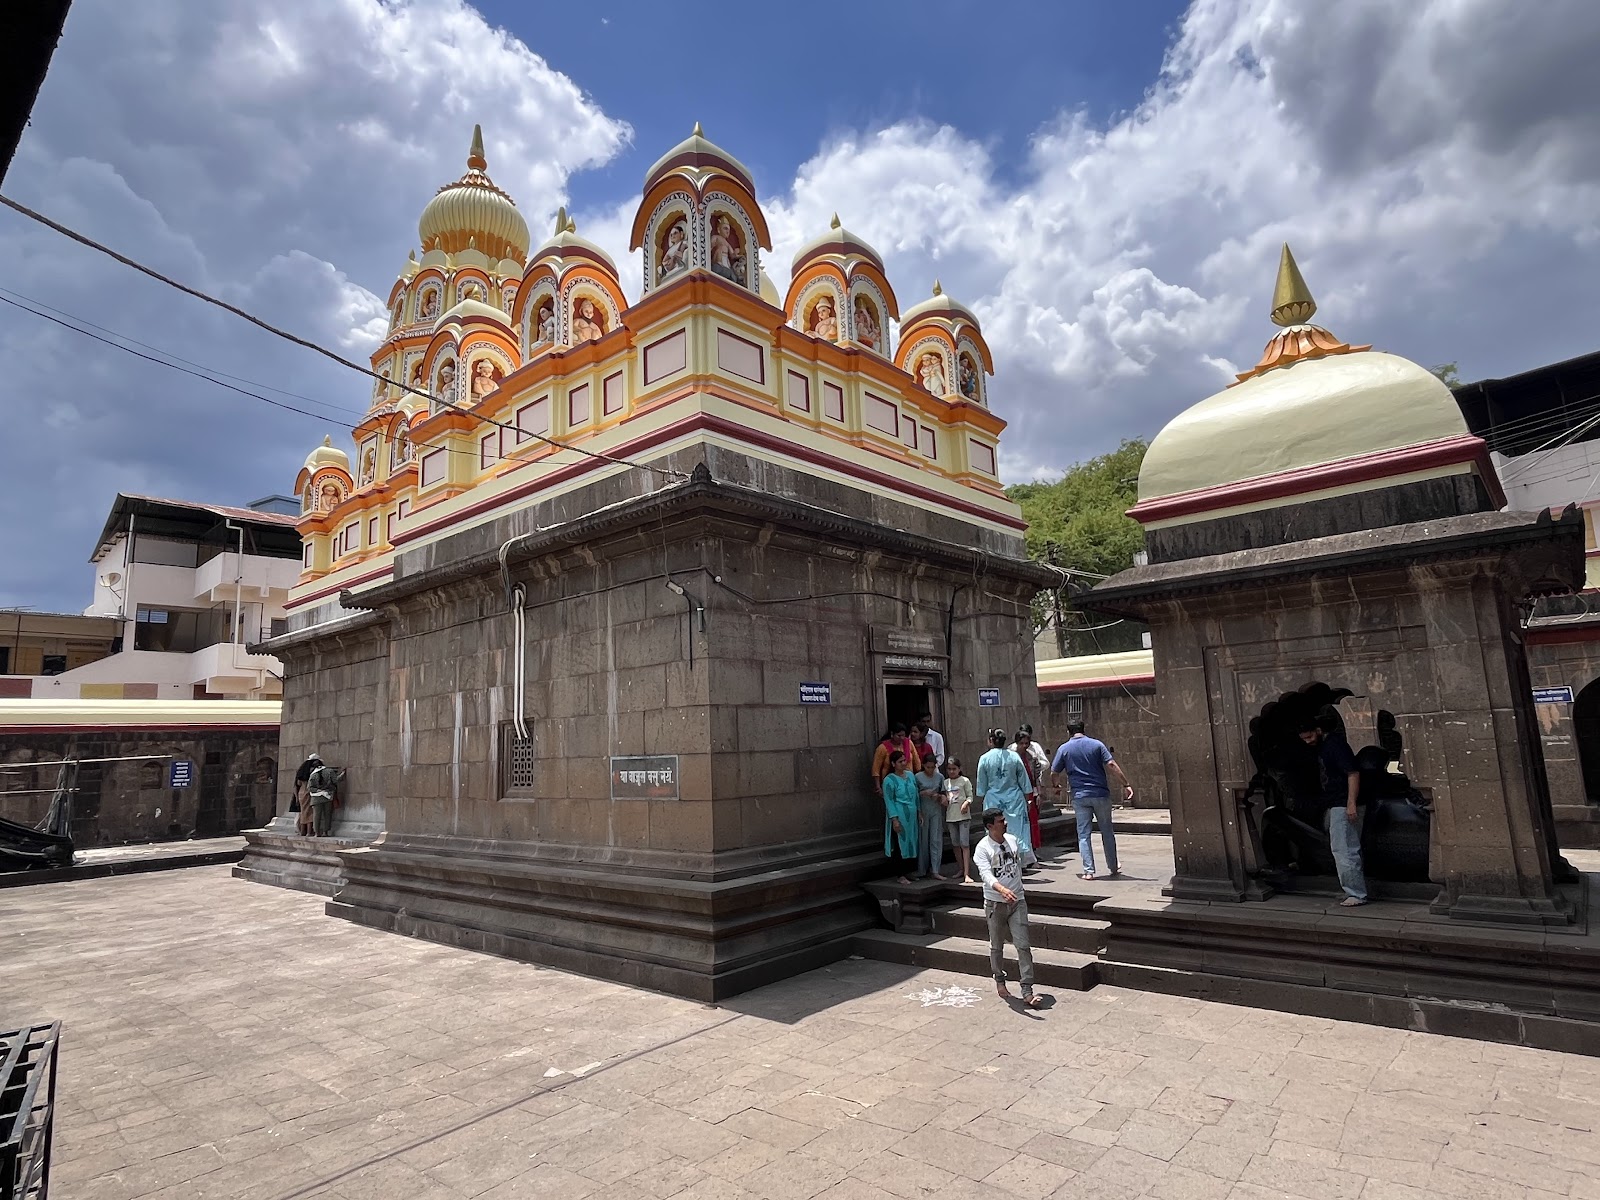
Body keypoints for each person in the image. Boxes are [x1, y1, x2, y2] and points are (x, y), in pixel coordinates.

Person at [1299, 710, 1368, 906]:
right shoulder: (1324, 746)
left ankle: (1356, 893)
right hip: (1337, 802)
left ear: (1319, 731)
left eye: (1310, 736)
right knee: (1347, 847)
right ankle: (1352, 889)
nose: (1308, 741)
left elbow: (1352, 773)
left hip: (1342, 802)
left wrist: (1351, 803)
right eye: (1304, 738)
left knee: (1344, 848)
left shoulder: (1335, 745)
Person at [973, 808, 1041, 1007]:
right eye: (1000, 821)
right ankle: (999, 979)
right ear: (990, 826)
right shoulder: (983, 848)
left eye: (1004, 819)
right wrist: (1001, 889)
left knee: (1023, 945)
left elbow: (1018, 866)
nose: (1005, 823)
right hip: (995, 902)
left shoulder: (1012, 840)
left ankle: (1027, 989)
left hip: (1017, 901)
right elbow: (986, 875)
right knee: (997, 945)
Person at [1050, 721, 1132, 881]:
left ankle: (1088, 871)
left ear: (1068, 732)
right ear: (1083, 729)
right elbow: (1111, 764)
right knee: (1107, 831)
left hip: (1079, 796)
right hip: (1100, 793)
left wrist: (1056, 786)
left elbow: (1054, 772)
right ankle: (1113, 866)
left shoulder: (1064, 749)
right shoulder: (1097, 745)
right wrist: (1126, 784)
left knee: (1083, 834)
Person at [976, 729, 1036, 868]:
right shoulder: (1014, 757)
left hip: (994, 800)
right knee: (1017, 831)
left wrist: (984, 795)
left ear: (991, 740)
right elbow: (1024, 781)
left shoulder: (984, 758)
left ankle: (997, 862)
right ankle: (1018, 864)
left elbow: (981, 786)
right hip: (1014, 799)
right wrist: (1029, 798)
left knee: (995, 831)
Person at [881, 751, 920, 884]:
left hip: (912, 814)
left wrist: (919, 811)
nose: (904, 763)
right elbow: (889, 800)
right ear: (893, 764)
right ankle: (900, 874)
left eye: (904, 760)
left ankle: (910, 871)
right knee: (900, 844)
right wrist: (894, 819)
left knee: (912, 841)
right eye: (900, 761)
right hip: (900, 814)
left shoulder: (910, 775)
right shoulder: (889, 780)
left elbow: (916, 795)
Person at [1010, 727, 1047, 856]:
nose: (1024, 746)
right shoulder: (1011, 757)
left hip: (1030, 792)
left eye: (1027, 743)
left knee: (1032, 823)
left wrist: (1038, 794)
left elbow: (1036, 776)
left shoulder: (1031, 757)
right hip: (1016, 794)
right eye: (1022, 743)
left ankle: (1033, 851)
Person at [942, 757, 975, 884]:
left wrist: (966, 803)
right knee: (955, 844)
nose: (951, 771)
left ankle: (967, 872)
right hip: (951, 816)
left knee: (964, 844)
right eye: (949, 769)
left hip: (963, 817)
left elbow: (970, 796)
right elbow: (944, 798)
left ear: (959, 769)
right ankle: (961, 868)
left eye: (954, 769)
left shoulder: (964, 781)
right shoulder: (945, 783)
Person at [914, 754, 946, 880]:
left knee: (935, 839)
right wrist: (923, 793)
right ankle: (922, 869)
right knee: (923, 840)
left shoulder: (939, 777)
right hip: (923, 809)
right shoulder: (917, 777)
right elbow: (913, 795)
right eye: (928, 767)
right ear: (923, 766)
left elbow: (943, 793)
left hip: (935, 810)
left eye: (933, 767)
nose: (930, 770)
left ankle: (935, 869)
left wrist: (938, 796)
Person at [872, 722, 921, 795]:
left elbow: (917, 763)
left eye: (903, 735)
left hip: (909, 781)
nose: (901, 738)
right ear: (892, 734)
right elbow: (876, 769)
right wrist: (878, 787)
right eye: (899, 735)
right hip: (890, 783)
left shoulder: (909, 743)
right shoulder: (882, 748)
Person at [305, 758, 342, 838]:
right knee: (327, 815)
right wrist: (342, 774)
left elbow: (309, 788)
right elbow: (335, 780)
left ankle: (316, 832)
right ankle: (325, 832)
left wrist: (318, 790)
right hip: (328, 796)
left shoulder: (313, 774)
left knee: (316, 816)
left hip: (316, 798)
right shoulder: (330, 771)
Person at [292, 753, 321, 836]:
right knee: (309, 813)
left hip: (301, 793)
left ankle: (302, 831)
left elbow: (296, 785)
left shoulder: (301, 772)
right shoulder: (312, 772)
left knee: (303, 812)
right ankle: (308, 832)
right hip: (308, 792)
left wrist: (296, 798)